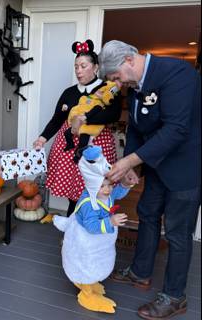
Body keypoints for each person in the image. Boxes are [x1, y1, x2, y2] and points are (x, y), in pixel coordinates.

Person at [97, 40, 201, 319]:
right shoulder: (134, 87)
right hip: (156, 166)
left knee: (178, 233)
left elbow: (176, 130)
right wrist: (135, 166)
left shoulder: (179, 74)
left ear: (130, 60)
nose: (117, 83)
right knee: (147, 213)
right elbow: (136, 129)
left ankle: (175, 296)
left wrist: (129, 161)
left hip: (186, 168)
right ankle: (140, 272)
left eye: (116, 76)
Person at [33, 39, 121, 217]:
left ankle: (93, 228)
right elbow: (57, 119)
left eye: (83, 66)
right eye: (76, 67)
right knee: (73, 193)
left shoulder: (107, 89)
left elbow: (114, 114)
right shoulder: (69, 92)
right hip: (70, 149)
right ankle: (72, 230)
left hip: (96, 146)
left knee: (95, 190)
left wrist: (85, 119)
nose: (78, 71)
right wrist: (42, 138)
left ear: (95, 67)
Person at [51, 146, 131, 313]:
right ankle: (87, 294)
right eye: (103, 186)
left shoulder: (105, 194)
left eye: (109, 184)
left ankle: (91, 282)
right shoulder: (89, 204)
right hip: (86, 243)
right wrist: (110, 221)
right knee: (87, 264)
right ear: (93, 186)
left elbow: (117, 194)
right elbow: (91, 226)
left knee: (98, 261)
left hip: (100, 243)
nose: (108, 189)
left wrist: (124, 183)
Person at [63, 80, 120, 163]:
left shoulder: (99, 104)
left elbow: (97, 109)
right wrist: (68, 107)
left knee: (83, 142)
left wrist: (85, 117)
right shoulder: (86, 98)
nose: (98, 92)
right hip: (76, 123)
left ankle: (78, 155)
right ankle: (70, 144)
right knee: (67, 133)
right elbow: (78, 105)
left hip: (87, 128)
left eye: (101, 92)